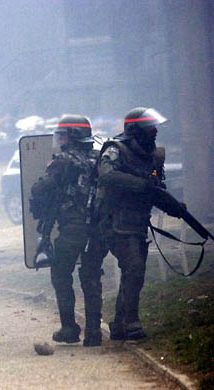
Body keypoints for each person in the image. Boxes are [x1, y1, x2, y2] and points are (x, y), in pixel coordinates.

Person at [96, 107, 184, 341]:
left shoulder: (153, 157)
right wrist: (139, 184)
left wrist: (175, 208)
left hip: (136, 222)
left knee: (133, 271)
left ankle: (119, 324)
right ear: (135, 130)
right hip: (115, 220)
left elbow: (156, 191)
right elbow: (106, 175)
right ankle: (132, 321)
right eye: (149, 128)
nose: (154, 132)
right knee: (134, 267)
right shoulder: (116, 150)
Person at [30, 114, 106, 347]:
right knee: (91, 276)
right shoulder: (99, 159)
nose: (59, 140)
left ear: (71, 137)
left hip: (72, 228)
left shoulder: (63, 161)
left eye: (61, 135)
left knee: (61, 274)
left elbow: (42, 188)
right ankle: (94, 332)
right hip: (99, 227)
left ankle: (69, 328)